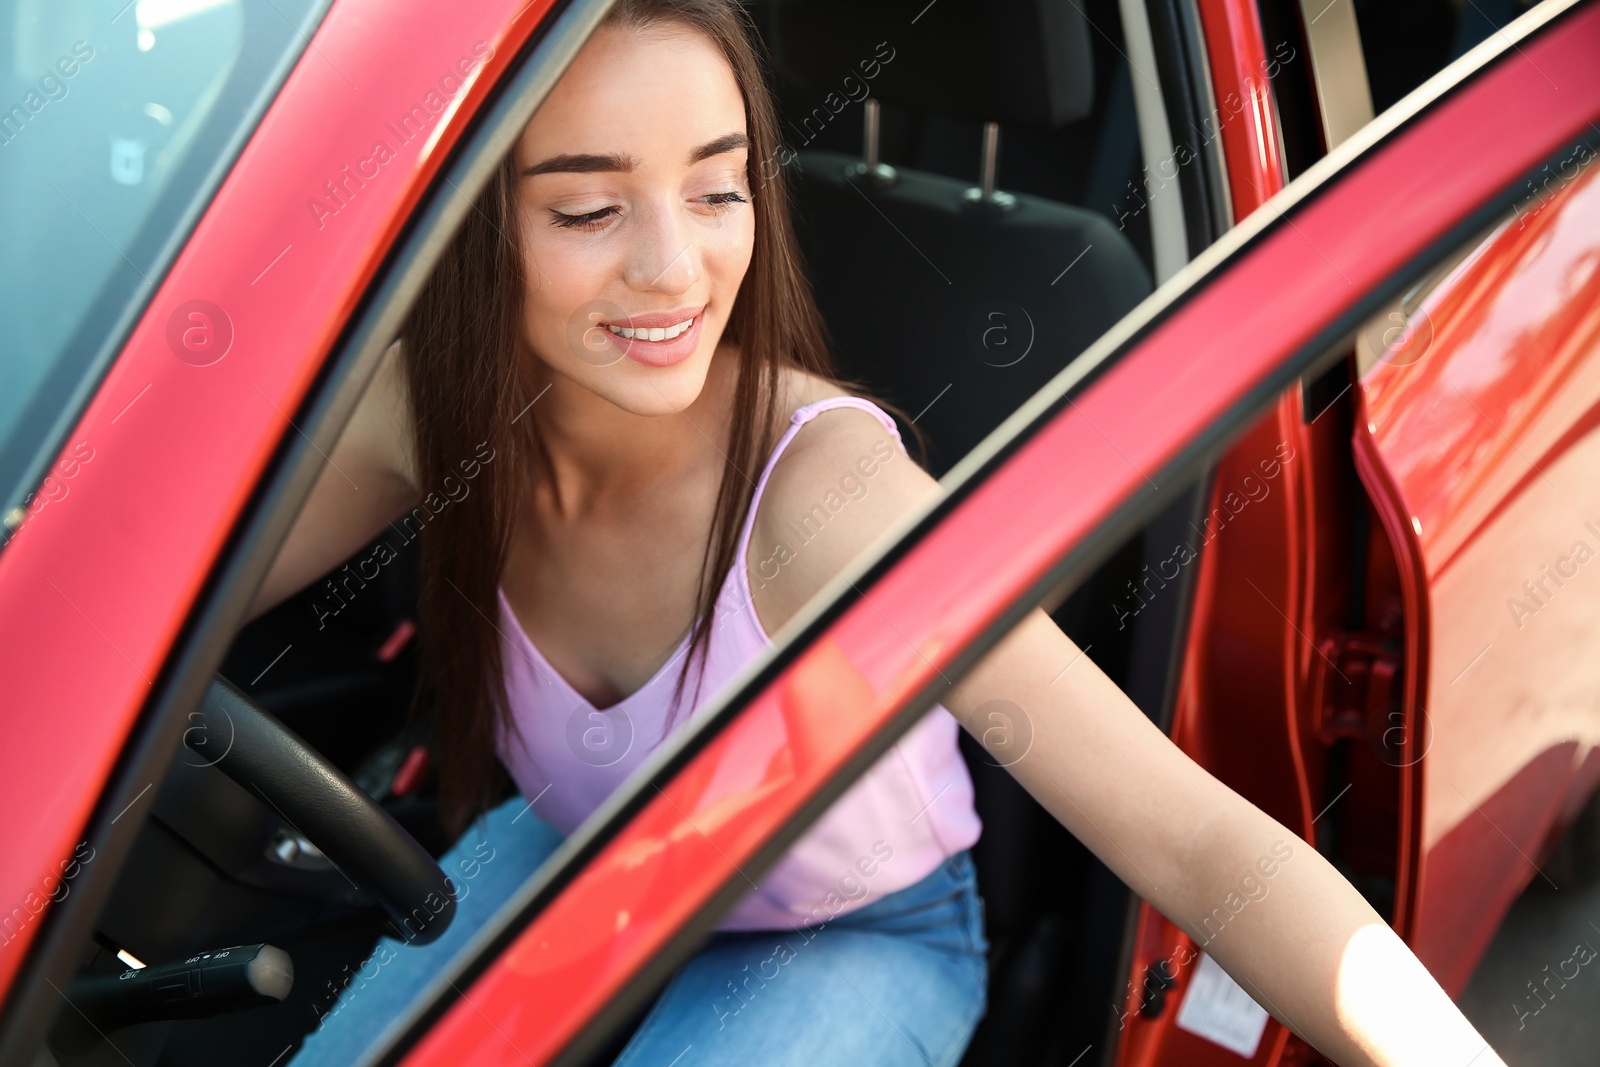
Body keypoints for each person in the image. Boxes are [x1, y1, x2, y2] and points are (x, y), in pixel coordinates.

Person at [259, 1, 1508, 1064]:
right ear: (472, 226)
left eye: (716, 187)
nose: (674, 267)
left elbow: (1192, 834)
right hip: (573, 843)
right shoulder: (426, 418)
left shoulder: (827, 502)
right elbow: (128, 618)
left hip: (849, 928)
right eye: (589, 211)